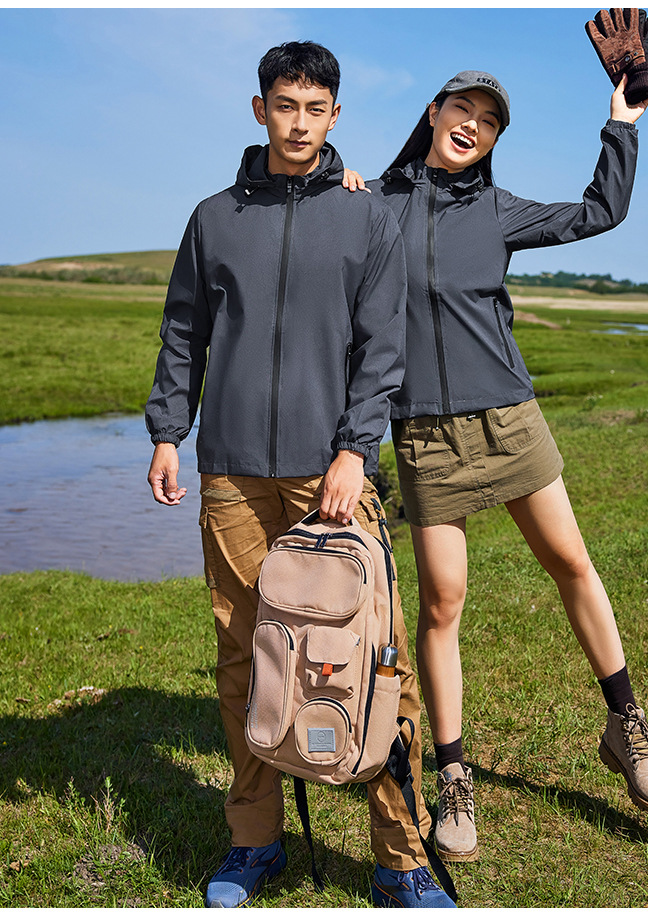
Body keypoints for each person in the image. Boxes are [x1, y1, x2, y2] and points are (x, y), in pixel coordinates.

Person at [145, 41, 454, 909]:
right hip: (232, 472)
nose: (299, 123)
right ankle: (255, 841)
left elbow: (382, 347)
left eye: (316, 109)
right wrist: (169, 432)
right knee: (245, 656)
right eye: (285, 106)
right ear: (260, 110)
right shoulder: (213, 217)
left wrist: (355, 450)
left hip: (332, 473)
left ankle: (401, 857)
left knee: (376, 657)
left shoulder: (365, 217)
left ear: (335, 115)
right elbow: (182, 331)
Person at [354, 65, 648, 864]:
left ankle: (627, 724)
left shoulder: (497, 210)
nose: (472, 125)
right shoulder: (376, 204)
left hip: (509, 418)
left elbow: (600, 210)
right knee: (443, 603)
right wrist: (337, 177)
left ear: (494, 138)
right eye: (462, 109)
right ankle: (454, 775)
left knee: (571, 562)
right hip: (425, 433)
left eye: (489, 121)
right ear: (434, 112)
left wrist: (623, 122)